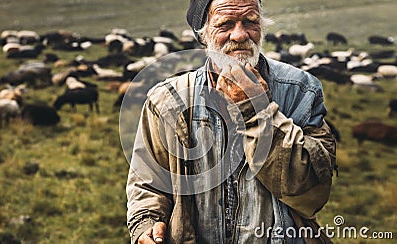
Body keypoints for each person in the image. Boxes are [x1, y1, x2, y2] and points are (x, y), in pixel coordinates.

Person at [125, 0, 336, 243]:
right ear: (203, 35)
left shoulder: (301, 91)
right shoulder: (167, 100)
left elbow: (313, 192)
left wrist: (256, 109)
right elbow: (147, 183)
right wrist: (147, 223)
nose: (240, 35)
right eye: (225, 24)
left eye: (250, 22)